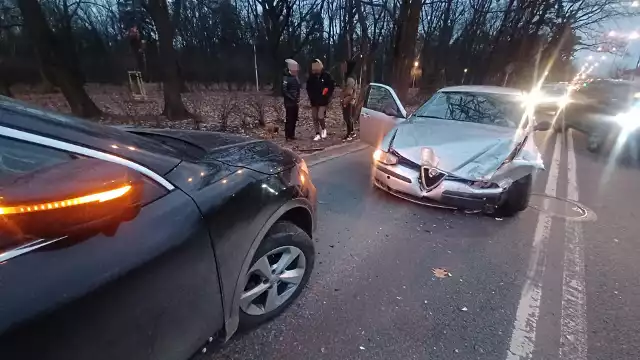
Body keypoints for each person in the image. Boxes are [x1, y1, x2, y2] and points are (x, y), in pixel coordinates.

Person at [306, 59, 335, 141]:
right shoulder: (311, 77)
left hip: (323, 100)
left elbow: (331, 86)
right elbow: (308, 88)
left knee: (320, 116)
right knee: (314, 117)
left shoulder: (326, 76)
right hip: (314, 101)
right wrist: (310, 96)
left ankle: (323, 129)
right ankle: (317, 134)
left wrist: (327, 94)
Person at [282, 59, 301, 141]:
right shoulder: (285, 78)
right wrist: (292, 98)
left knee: (294, 118)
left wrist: (298, 97)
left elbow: (298, 88)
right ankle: (287, 136)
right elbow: (284, 90)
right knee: (289, 119)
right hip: (289, 102)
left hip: (295, 102)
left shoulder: (296, 77)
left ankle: (292, 135)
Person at [340, 60, 357, 141]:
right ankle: (351, 132)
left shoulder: (350, 78)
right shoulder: (348, 76)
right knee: (348, 117)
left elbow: (349, 92)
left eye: (345, 66)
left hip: (348, 100)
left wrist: (344, 100)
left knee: (347, 117)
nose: (343, 67)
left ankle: (349, 134)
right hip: (349, 99)